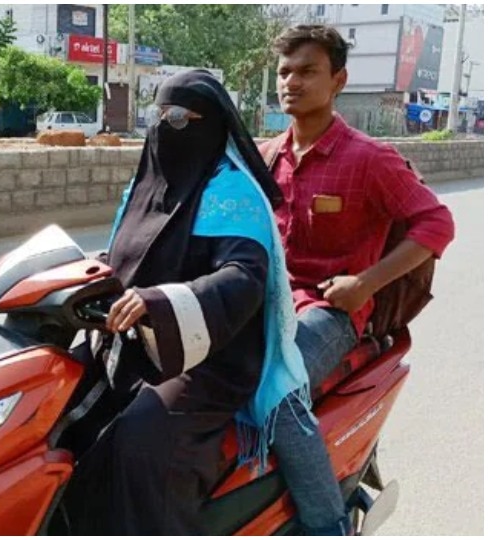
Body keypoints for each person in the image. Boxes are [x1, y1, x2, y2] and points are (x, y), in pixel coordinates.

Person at [65, 69, 313, 535]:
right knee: (59, 407)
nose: (163, 126)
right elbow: (125, 258)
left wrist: (157, 301)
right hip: (132, 343)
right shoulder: (145, 187)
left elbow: (243, 277)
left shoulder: (231, 193)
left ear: (211, 126)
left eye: (177, 116)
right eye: (157, 114)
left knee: (144, 438)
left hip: (208, 356)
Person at [262, 25, 456, 535]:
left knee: (276, 394)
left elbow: (437, 223)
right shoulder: (266, 157)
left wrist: (366, 283)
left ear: (339, 80)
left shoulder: (369, 159)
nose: (292, 82)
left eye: (308, 71)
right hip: (264, 307)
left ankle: (329, 526)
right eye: (285, 72)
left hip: (333, 312)